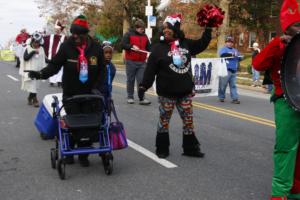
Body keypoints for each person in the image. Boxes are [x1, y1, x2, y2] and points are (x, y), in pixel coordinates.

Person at [28, 15, 105, 167]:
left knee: (88, 125)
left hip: (90, 93)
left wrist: (97, 88)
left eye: (78, 34)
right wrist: (41, 74)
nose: (75, 36)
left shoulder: (96, 48)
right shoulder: (67, 46)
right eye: (73, 33)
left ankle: (84, 154)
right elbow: (55, 65)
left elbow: (102, 70)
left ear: (85, 34)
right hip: (71, 93)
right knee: (72, 123)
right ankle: (69, 150)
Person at [138, 13, 212, 158]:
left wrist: (208, 29)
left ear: (176, 29)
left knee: (188, 122)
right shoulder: (158, 48)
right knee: (164, 122)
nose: (166, 31)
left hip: (185, 92)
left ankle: (190, 149)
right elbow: (150, 70)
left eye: (169, 28)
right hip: (167, 93)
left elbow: (202, 43)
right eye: (164, 28)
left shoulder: (186, 44)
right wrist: (143, 86)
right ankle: (162, 149)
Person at [252, 0, 300, 199]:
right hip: (286, 101)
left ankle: (296, 189)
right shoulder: (279, 43)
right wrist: (276, 44)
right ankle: (280, 193)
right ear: (288, 26)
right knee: (286, 148)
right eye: (297, 25)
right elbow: (258, 64)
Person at [121, 19, 151, 105]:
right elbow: (123, 44)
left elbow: (149, 47)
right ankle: (130, 97)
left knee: (141, 81)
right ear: (137, 28)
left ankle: (142, 98)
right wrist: (131, 46)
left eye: (143, 29)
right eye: (141, 29)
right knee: (130, 80)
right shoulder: (128, 34)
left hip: (142, 62)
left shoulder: (145, 36)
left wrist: (153, 51)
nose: (143, 31)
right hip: (131, 61)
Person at [19, 32, 45, 107]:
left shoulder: (41, 49)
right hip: (30, 71)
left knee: (35, 86)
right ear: (32, 41)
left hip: (38, 71)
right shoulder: (28, 48)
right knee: (33, 85)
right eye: (35, 42)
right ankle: (35, 100)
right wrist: (33, 52)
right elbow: (25, 58)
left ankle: (30, 97)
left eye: (37, 42)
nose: (36, 44)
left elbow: (44, 59)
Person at [218, 36, 242, 104]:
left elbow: (239, 57)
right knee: (223, 85)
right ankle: (221, 97)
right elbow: (222, 55)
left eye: (231, 42)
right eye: (228, 42)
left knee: (233, 85)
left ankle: (235, 98)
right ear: (226, 43)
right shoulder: (224, 49)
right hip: (226, 70)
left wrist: (240, 57)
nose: (230, 43)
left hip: (234, 70)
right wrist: (231, 54)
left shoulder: (235, 50)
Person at [43, 20, 66, 87]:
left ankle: (59, 81)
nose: (57, 30)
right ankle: (52, 81)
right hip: (52, 55)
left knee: (61, 68)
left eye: (58, 29)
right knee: (51, 68)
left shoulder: (64, 37)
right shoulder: (50, 37)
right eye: (56, 29)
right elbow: (43, 40)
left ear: (60, 29)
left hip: (61, 56)